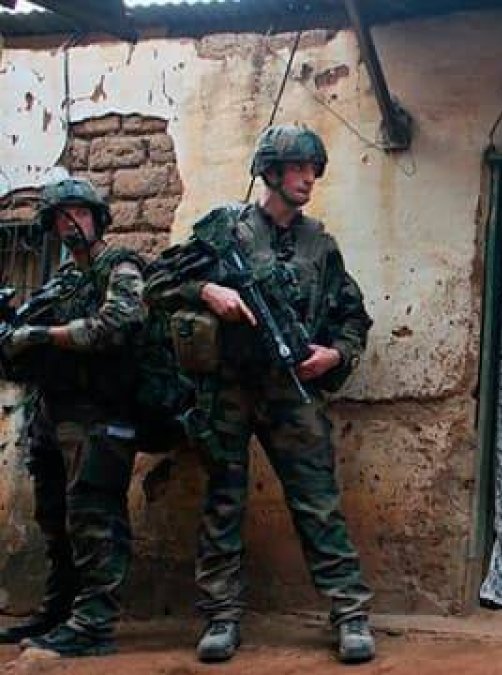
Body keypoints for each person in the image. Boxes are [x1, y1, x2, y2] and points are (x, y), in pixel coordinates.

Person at [144, 124, 375, 664]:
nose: (308, 178)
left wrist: (335, 356)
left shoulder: (321, 245)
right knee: (223, 501)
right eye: (297, 167)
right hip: (227, 388)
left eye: (313, 168)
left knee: (318, 504)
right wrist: (206, 289)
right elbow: (156, 283)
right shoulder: (227, 231)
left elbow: (353, 318)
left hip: (291, 390)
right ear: (269, 172)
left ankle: (350, 613)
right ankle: (221, 616)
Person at [0, 176, 147, 656]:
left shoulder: (119, 266)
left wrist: (44, 336)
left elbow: (116, 325)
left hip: (101, 415)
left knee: (94, 516)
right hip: (54, 414)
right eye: (60, 218)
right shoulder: (62, 281)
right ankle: (60, 608)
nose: (70, 224)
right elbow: (20, 339)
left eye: (78, 214)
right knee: (54, 516)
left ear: (97, 217)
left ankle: (95, 623)